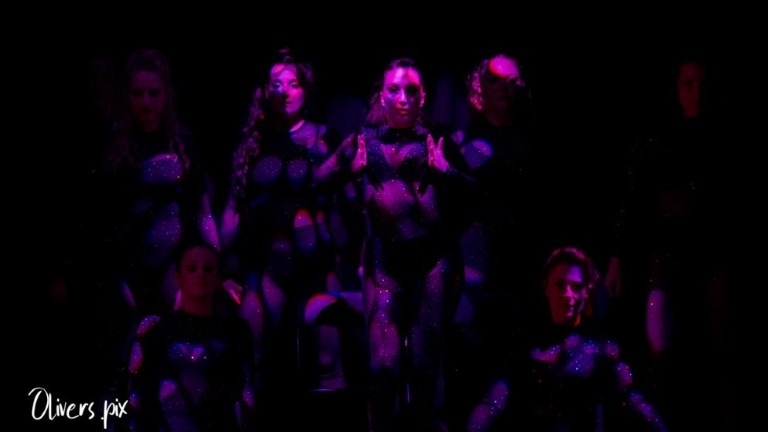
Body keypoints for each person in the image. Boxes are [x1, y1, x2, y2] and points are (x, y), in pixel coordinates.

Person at [317, 57, 472, 432]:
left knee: (423, 366)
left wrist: (447, 172)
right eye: (394, 90)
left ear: (423, 97)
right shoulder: (364, 141)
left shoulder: (436, 140)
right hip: (384, 263)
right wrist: (348, 173)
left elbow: (475, 193)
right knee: (384, 366)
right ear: (382, 96)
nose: (403, 98)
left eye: (411, 91)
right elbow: (317, 179)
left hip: (431, 263)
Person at [219, 48, 341, 423]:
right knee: (252, 355)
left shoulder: (323, 138)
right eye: (277, 84)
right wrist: (221, 268)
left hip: (315, 266)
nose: (285, 91)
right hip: (264, 267)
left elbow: (342, 207)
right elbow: (233, 208)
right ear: (264, 91)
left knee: (326, 360)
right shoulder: (253, 144)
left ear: (306, 89)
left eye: (293, 83)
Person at [465, 247, 667, 432]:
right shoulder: (526, 346)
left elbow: (635, 400)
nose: (568, 294)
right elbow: (494, 401)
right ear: (546, 287)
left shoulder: (604, 347)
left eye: (576, 287)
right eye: (560, 285)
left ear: (586, 291)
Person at [103, 48, 219, 317]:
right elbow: (105, 222)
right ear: (127, 96)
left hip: (174, 265)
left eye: (153, 93)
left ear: (166, 95)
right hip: (127, 269)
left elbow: (203, 213)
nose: (146, 101)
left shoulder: (183, 143)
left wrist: (215, 262)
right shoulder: (114, 149)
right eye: (138, 93)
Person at [127, 240, 258, 431]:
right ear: (178, 277)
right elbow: (141, 395)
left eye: (208, 269)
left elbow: (245, 392)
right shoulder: (155, 331)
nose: (200, 274)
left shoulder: (236, 331)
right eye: (192, 268)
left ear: (218, 278)